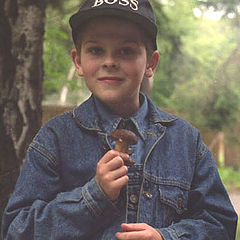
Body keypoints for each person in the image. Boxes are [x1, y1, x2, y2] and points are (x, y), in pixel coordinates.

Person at [2, 0, 238, 239]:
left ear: (151, 63)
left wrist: (167, 237)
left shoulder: (186, 141)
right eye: (96, 50)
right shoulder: (54, 140)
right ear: (78, 61)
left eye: (126, 51)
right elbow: (16, 230)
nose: (110, 61)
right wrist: (93, 196)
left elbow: (221, 222)